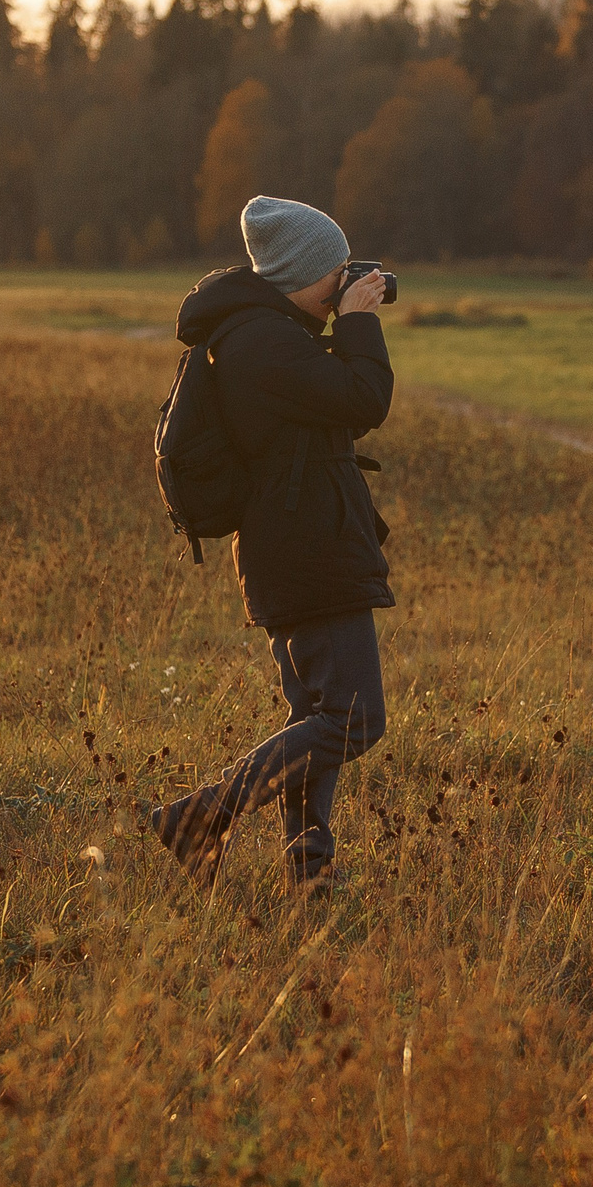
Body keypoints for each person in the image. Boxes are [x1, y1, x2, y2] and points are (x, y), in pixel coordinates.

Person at [147, 196, 394, 889]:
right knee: (354, 719)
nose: (345, 280)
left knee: (316, 717)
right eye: (337, 271)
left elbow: (340, 410)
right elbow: (364, 399)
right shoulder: (263, 343)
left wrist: (342, 323)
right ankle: (202, 815)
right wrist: (360, 321)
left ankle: (310, 871)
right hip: (308, 553)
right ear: (302, 275)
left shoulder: (268, 335)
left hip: (298, 547)